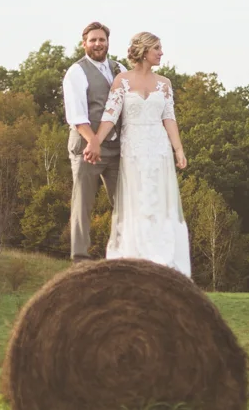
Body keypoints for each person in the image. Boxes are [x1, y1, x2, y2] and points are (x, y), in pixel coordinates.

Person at [82, 30, 191, 276]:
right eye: (157, 49)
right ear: (143, 52)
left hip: (159, 148)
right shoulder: (123, 80)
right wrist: (96, 141)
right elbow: (110, 116)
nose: (161, 53)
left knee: (159, 201)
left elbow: (169, 117)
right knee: (137, 200)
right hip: (133, 149)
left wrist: (178, 149)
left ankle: (162, 259)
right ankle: (136, 257)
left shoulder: (165, 83)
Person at [62, 21, 123, 260]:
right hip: (86, 149)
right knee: (83, 204)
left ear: (108, 42)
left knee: (124, 203)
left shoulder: (120, 68)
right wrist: (93, 141)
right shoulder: (76, 71)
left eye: (102, 40)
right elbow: (76, 114)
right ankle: (79, 258)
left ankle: (120, 253)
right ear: (84, 43)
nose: (98, 44)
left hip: (116, 148)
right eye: (93, 40)